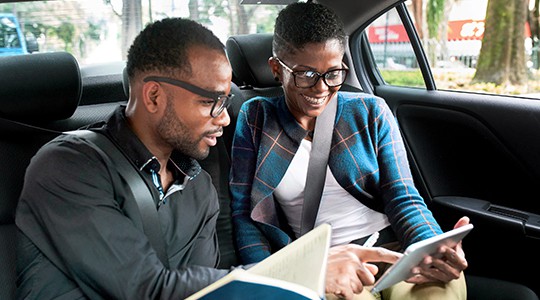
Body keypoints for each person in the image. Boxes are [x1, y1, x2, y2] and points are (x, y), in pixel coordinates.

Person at [229, 2, 469, 300]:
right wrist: (268, 277)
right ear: (277, 68)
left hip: (394, 250)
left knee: (439, 292)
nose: (321, 88)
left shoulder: (370, 111)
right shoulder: (256, 119)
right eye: (305, 74)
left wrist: (432, 247)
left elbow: (404, 197)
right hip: (325, 265)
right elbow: (245, 214)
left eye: (334, 73)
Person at [15, 18, 235, 299]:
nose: (225, 118)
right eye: (210, 102)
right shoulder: (66, 167)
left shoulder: (199, 188)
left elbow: (204, 292)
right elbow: (145, 289)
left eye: (226, 102)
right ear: (154, 96)